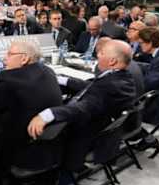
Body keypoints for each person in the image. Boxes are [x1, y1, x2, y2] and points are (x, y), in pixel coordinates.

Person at [28, 40, 136, 169]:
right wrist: (64, 80)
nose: (98, 56)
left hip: (84, 135)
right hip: (99, 125)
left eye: (101, 53)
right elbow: (93, 86)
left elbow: (83, 108)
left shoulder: (111, 86)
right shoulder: (120, 77)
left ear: (112, 61)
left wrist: (48, 114)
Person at [0, 41, 62, 168]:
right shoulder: (48, 71)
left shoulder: (8, 78)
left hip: (17, 152)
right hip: (48, 149)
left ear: (24, 58)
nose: (4, 58)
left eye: (9, 54)